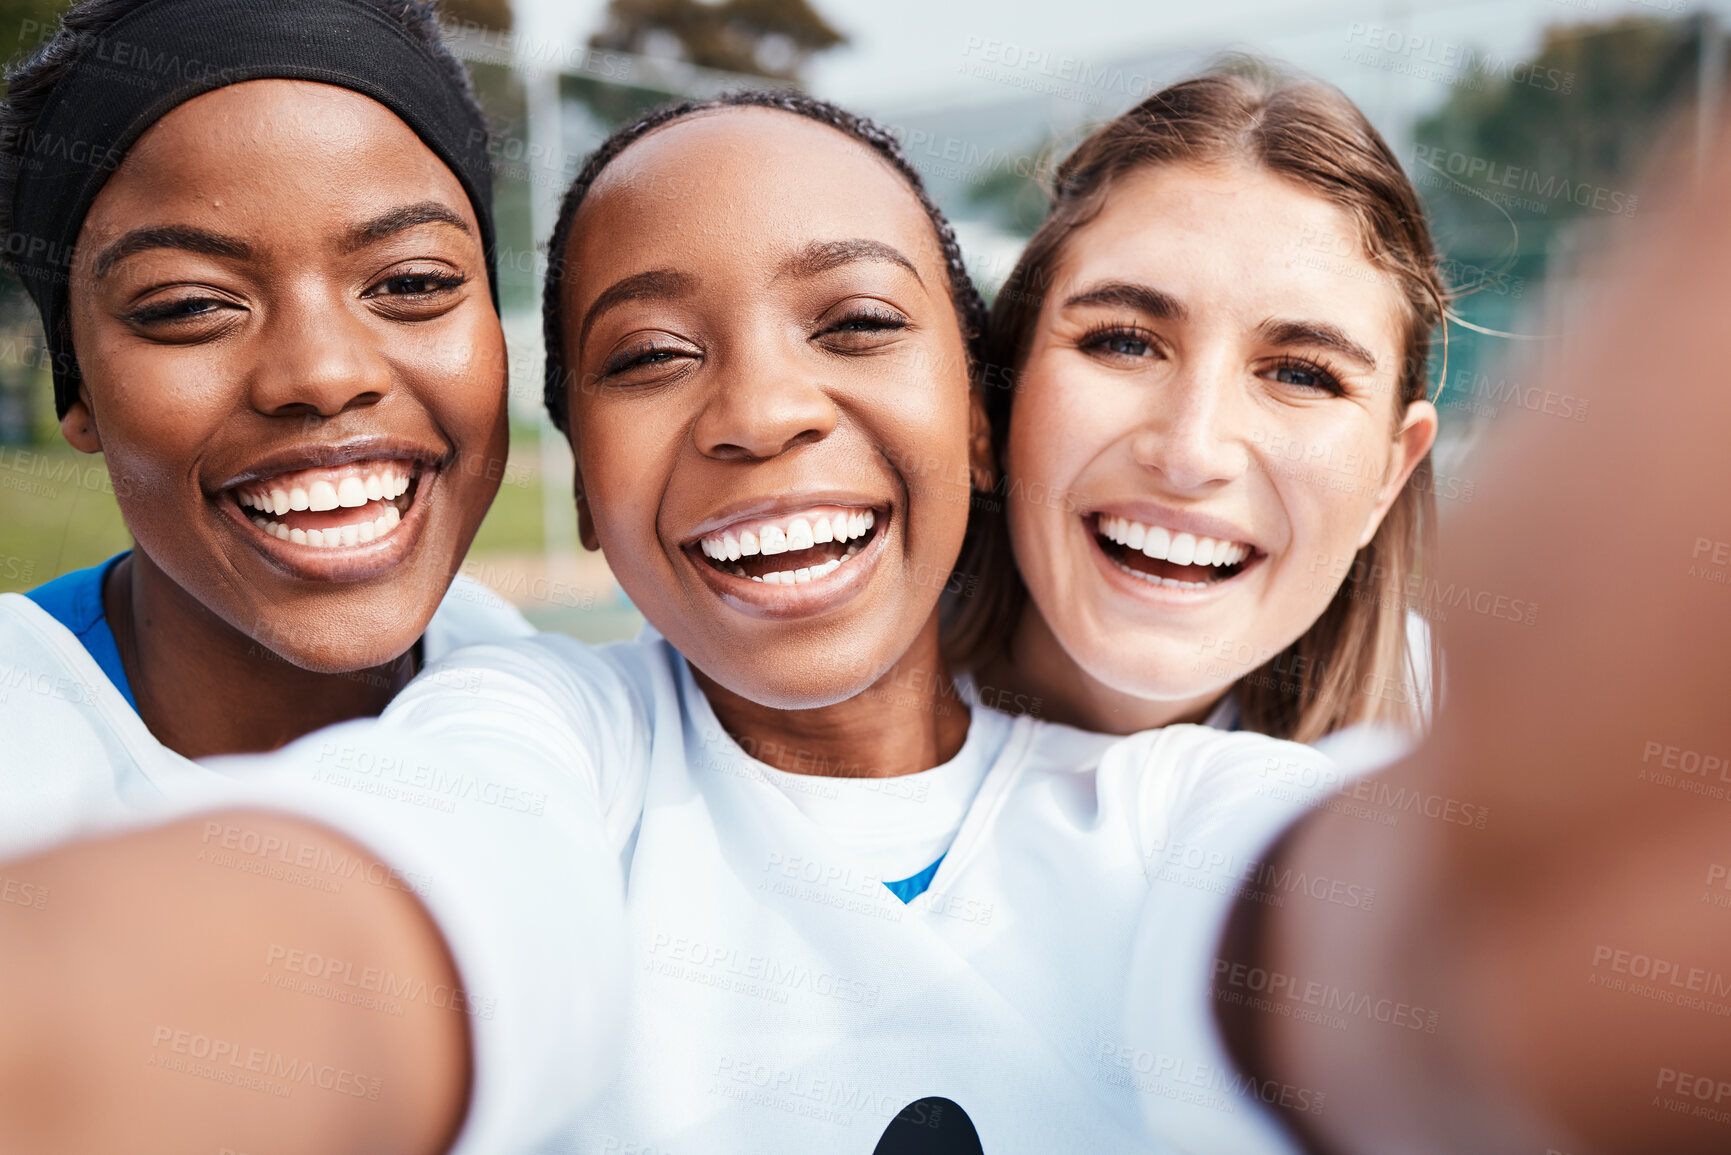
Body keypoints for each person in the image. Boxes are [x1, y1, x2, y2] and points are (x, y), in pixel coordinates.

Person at [0, 88, 1339, 1153]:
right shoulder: (546, 736)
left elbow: (1387, 923)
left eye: (856, 320)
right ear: (583, 484)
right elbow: (389, 890)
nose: (760, 412)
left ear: (979, 419)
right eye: (647, 356)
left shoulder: (1171, 808)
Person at [0, 0, 532, 861]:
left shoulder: (544, 698)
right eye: (189, 305)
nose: (324, 374)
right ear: (79, 390)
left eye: (411, 282)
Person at [952, 67, 1442, 743]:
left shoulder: (1478, 775)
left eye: (1300, 374)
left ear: (1390, 475)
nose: (1190, 453)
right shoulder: (775, 733)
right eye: (1124, 342)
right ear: (1004, 388)